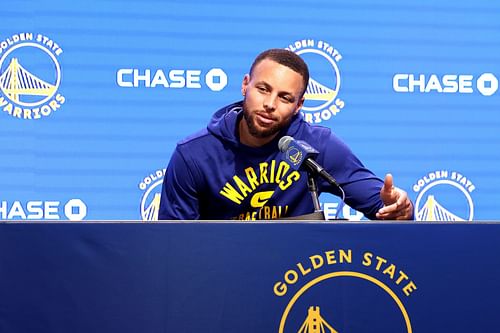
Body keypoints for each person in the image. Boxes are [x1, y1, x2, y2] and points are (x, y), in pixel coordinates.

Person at [159, 48, 413, 220]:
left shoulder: (316, 146)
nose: (270, 104)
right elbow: (173, 245)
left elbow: (387, 208)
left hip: (297, 281)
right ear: (245, 85)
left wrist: (400, 206)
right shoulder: (193, 155)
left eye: (284, 97)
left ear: (299, 105)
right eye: (263, 89)